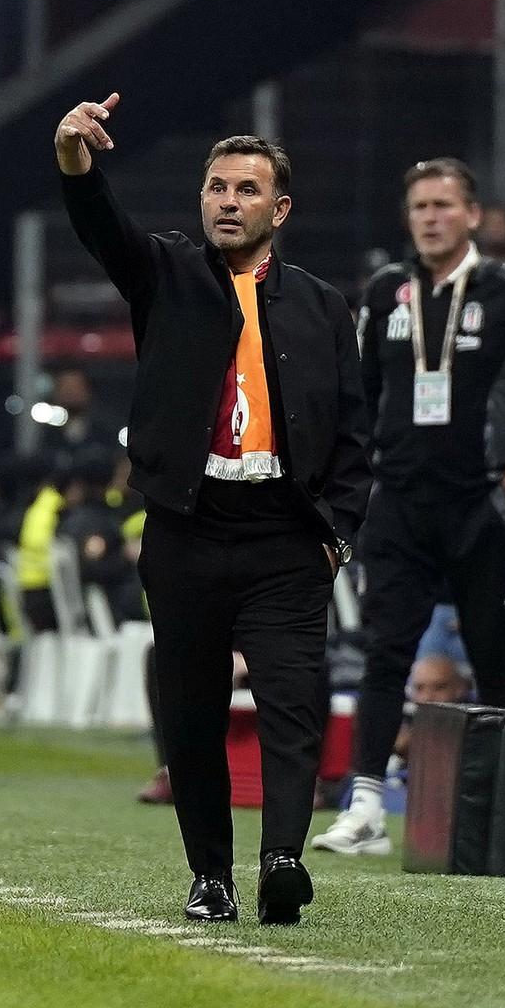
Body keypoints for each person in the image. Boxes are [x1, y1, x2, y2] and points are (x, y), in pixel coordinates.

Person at [56, 93, 368, 926]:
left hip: (284, 535)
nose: (228, 202)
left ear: (280, 207)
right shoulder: (164, 272)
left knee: (292, 703)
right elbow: (100, 227)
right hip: (188, 527)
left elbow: (355, 432)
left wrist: (335, 533)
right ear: (201, 200)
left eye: (246, 190)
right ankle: (211, 877)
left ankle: (282, 861)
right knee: (190, 711)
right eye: (217, 188)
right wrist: (76, 158)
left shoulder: (323, 305)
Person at [316, 158, 505, 858]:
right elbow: (354, 395)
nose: (430, 216)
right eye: (419, 204)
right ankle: (365, 805)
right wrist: (357, 485)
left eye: (444, 204)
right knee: (385, 652)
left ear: (472, 214)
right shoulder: (386, 291)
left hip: (478, 502)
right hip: (398, 503)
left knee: (492, 652)